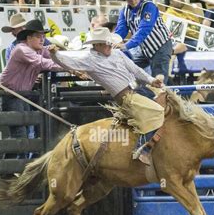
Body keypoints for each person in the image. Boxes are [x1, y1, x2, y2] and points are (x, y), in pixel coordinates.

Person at [50, 27, 165, 164]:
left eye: (110, 42)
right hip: (127, 98)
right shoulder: (89, 59)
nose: (109, 45)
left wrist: (152, 80)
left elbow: (136, 70)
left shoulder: (117, 53)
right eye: (106, 43)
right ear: (96, 45)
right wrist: (54, 54)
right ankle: (143, 148)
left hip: (135, 92)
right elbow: (67, 61)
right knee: (158, 111)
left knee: (163, 105)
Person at [0, 20, 63, 159]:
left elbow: (49, 57)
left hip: (22, 95)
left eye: (43, 36)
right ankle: (20, 168)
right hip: (11, 95)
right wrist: (67, 65)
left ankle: (8, 169)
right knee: (20, 133)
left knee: (22, 131)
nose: (42, 39)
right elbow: (44, 63)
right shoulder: (21, 49)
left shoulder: (38, 50)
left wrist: (58, 54)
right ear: (29, 38)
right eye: (38, 36)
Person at [114, 0, 173, 81]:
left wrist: (125, 46)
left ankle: (163, 92)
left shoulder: (149, 7)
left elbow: (144, 30)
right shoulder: (124, 11)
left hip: (161, 46)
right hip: (144, 49)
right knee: (128, 67)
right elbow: (120, 31)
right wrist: (113, 41)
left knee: (159, 80)